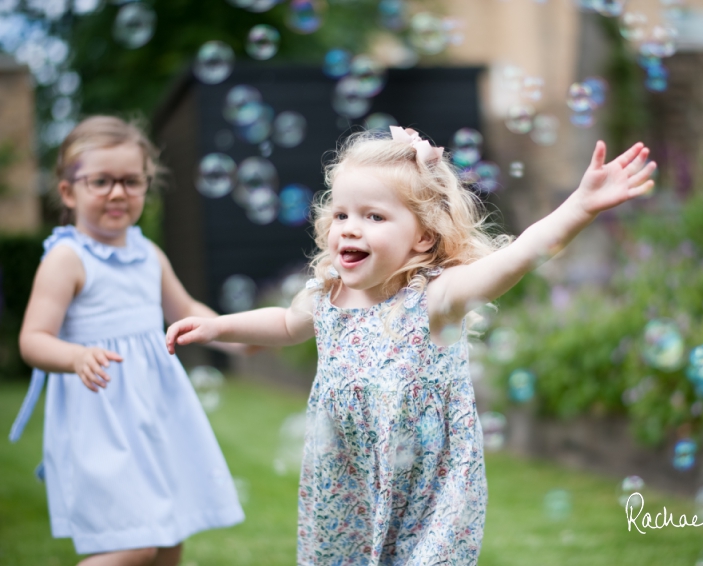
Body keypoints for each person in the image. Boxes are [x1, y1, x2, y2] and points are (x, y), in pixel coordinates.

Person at [165, 126, 656, 564]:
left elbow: (520, 255)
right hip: (346, 476)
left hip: (430, 481)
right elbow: (286, 324)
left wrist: (580, 204)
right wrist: (218, 326)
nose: (350, 227)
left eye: (374, 216)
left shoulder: (436, 297)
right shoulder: (327, 293)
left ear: (422, 237)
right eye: (341, 214)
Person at [10, 116, 245, 566]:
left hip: (157, 412)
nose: (118, 193)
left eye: (131, 182)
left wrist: (239, 334)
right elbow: (33, 340)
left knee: (170, 537)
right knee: (134, 544)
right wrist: (76, 355)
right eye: (101, 181)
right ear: (68, 192)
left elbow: (188, 312)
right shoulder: (67, 258)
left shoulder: (147, 254)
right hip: (102, 421)